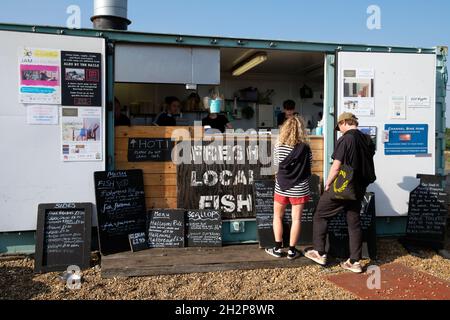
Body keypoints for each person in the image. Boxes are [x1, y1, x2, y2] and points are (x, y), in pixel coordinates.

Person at [304, 112, 376, 273]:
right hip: (359, 188)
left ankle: (319, 252)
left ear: (344, 122)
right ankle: (355, 262)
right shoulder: (367, 139)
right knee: (354, 222)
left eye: (340, 127)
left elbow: (336, 166)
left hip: (343, 187)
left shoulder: (346, 139)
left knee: (320, 214)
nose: (340, 130)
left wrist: (327, 184)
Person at [265, 116, 313, 260]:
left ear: (285, 129)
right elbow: (309, 167)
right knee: (296, 219)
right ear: (301, 130)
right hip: (300, 187)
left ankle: (277, 248)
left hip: (282, 186)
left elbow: (275, 166)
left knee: (277, 217)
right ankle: (292, 251)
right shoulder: (305, 148)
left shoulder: (279, 145)